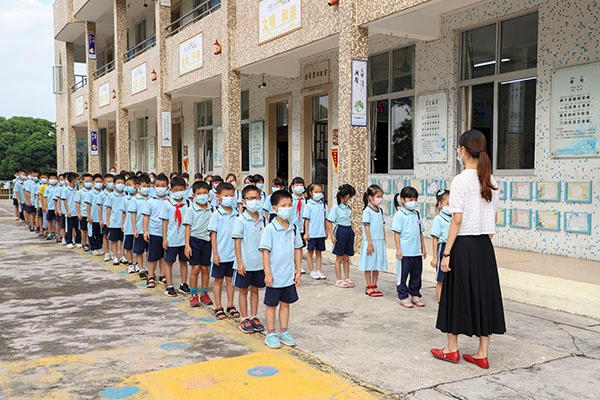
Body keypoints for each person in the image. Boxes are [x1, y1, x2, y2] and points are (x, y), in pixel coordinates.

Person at [431, 130, 505, 369]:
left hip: (462, 245)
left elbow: (457, 220)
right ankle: (482, 354)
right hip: (484, 246)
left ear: (463, 150)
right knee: (484, 296)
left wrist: (446, 252)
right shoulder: (491, 180)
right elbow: (493, 219)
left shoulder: (460, 180)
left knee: (455, 295)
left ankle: (451, 349)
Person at [259, 190, 303, 349]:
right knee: (271, 305)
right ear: (275, 208)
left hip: (288, 275)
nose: (287, 208)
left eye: (290, 205)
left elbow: (297, 249)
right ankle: (270, 333)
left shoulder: (293, 228)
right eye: (283, 205)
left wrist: (298, 270)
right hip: (274, 276)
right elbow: (265, 252)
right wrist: (267, 273)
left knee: (286, 304)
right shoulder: (270, 229)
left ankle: (284, 331)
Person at [232, 184, 266, 334]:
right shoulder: (241, 220)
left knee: (255, 290)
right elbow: (237, 242)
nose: (254, 201)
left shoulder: (263, 219)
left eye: (256, 198)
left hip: (258, 263)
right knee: (243, 290)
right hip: (245, 263)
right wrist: (240, 262)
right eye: (250, 198)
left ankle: (254, 316)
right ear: (244, 201)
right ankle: (244, 318)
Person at [208, 181, 239, 320]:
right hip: (220, 254)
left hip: (233, 255)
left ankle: (231, 305)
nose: (229, 198)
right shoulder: (216, 215)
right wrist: (215, 253)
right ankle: (218, 306)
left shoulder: (237, 214)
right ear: (218, 197)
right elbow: (213, 235)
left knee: (231, 281)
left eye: (232, 195)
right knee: (218, 281)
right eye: (226, 195)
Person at [392, 186, 427, 308]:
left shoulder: (417, 214)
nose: (413, 202)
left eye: (415, 199)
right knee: (402, 275)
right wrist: (398, 249)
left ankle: (415, 294)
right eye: (410, 199)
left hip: (416, 251)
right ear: (403, 200)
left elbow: (420, 232)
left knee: (416, 275)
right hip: (405, 252)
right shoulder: (399, 215)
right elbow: (396, 233)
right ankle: (403, 296)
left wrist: (423, 247)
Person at [184, 180, 214, 307]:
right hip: (194, 240)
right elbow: (187, 228)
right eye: (199, 193)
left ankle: (204, 293)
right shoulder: (191, 210)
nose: (202, 196)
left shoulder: (212, 209)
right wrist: (187, 245)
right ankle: (193, 294)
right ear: (194, 195)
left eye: (205, 193)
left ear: (209, 194)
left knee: (205, 269)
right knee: (195, 268)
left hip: (207, 241)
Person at [160, 176, 190, 297]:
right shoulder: (167, 204)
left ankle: (183, 283)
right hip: (171, 239)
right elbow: (165, 222)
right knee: (169, 262)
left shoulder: (187, 203)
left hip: (184, 239)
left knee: (184, 262)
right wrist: (164, 238)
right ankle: (169, 285)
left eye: (181, 189)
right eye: (176, 190)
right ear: (171, 189)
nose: (179, 192)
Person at [143, 173, 170, 288]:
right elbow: (146, 216)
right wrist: (145, 231)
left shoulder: (170, 201)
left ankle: (162, 275)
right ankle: (150, 276)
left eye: (163, 186)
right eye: (158, 186)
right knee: (153, 256)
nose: (160, 188)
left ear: (167, 187)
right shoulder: (150, 201)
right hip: (154, 232)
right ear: (154, 186)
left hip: (167, 234)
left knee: (164, 256)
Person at [358, 185, 386, 296]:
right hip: (370, 241)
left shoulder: (380, 210)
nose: (380, 199)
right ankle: (369, 286)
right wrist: (369, 243)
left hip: (379, 241)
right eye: (378, 196)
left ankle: (374, 285)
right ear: (370, 197)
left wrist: (384, 240)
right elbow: (367, 228)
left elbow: (382, 226)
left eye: (381, 196)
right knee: (369, 264)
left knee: (376, 265)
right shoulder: (367, 211)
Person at [327, 184, 356, 288]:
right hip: (340, 230)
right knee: (339, 257)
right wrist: (332, 235)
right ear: (347, 196)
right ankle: (339, 279)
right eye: (351, 196)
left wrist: (352, 229)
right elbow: (329, 221)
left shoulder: (348, 208)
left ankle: (347, 278)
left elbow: (350, 220)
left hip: (348, 231)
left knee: (347, 257)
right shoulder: (336, 208)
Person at [430, 189, 452, 303]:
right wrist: (435, 257)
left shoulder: (455, 218)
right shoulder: (438, 219)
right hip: (443, 247)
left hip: (453, 247)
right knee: (441, 277)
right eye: (448, 203)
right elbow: (435, 239)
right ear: (440, 204)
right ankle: (440, 300)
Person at [303, 183, 328, 280]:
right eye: (316, 192)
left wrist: (326, 231)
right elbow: (307, 220)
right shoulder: (308, 205)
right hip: (312, 234)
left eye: (320, 192)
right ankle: (312, 271)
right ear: (311, 193)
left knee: (319, 252)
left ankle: (318, 270)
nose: (319, 194)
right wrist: (306, 232)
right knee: (310, 252)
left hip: (320, 233)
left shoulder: (323, 205)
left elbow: (326, 220)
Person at [130, 174, 151, 279]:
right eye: (144, 186)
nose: (146, 189)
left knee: (149, 251)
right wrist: (134, 229)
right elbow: (133, 215)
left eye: (148, 186)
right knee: (139, 251)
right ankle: (141, 268)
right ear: (138, 186)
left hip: (151, 230)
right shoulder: (135, 199)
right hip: (139, 229)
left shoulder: (151, 199)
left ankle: (148, 268)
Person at [105, 174, 127, 265]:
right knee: (114, 240)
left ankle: (122, 255)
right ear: (114, 184)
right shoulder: (110, 196)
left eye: (122, 183)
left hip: (124, 222)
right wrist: (107, 220)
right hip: (114, 221)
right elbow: (108, 208)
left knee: (123, 239)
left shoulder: (126, 195)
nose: (120, 185)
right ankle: (115, 256)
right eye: (118, 183)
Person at [290, 176, 307, 274]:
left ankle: (298, 265)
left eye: (301, 185)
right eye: (297, 185)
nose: (299, 187)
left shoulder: (305, 200)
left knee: (299, 247)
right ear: (292, 186)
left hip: (301, 227)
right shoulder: (290, 199)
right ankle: (291, 265)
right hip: (292, 226)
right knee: (291, 247)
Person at [97, 173, 115, 260]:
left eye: (112, 182)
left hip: (115, 220)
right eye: (109, 182)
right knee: (105, 235)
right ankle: (107, 252)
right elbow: (100, 208)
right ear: (104, 183)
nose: (111, 184)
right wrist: (101, 219)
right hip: (105, 219)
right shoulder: (102, 194)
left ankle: (114, 252)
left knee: (114, 238)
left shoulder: (116, 194)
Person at [122, 176, 138, 272]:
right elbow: (123, 212)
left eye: (129, 185)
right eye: (126, 185)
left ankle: (138, 263)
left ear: (136, 186)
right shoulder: (125, 199)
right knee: (128, 246)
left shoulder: (140, 198)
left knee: (138, 247)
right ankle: (130, 263)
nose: (127, 187)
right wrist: (123, 224)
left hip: (138, 227)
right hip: (128, 226)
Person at [86, 174, 104, 255]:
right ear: (93, 182)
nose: (99, 183)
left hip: (101, 218)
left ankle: (99, 247)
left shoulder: (103, 193)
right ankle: (93, 247)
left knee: (100, 233)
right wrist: (89, 216)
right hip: (93, 216)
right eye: (97, 182)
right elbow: (88, 205)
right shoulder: (90, 193)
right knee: (92, 233)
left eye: (100, 182)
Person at [62, 172, 81, 249]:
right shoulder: (65, 190)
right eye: (77, 179)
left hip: (77, 212)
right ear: (73, 180)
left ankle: (78, 241)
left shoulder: (78, 190)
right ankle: (68, 241)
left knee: (78, 228)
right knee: (69, 227)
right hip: (70, 212)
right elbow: (65, 201)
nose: (78, 181)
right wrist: (67, 211)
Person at [76, 173, 93, 251]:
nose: (88, 183)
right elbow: (77, 203)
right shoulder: (80, 192)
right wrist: (79, 213)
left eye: (90, 181)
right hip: (84, 214)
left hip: (92, 214)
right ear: (82, 181)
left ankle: (91, 243)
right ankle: (84, 243)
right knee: (84, 230)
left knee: (91, 230)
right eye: (86, 181)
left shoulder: (93, 192)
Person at [44, 172, 59, 240]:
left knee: (57, 221)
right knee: (49, 220)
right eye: (51, 178)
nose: (53, 180)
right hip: (50, 207)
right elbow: (45, 198)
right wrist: (46, 207)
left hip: (57, 208)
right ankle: (50, 233)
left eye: (54, 178)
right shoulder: (47, 188)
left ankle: (56, 233)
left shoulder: (58, 188)